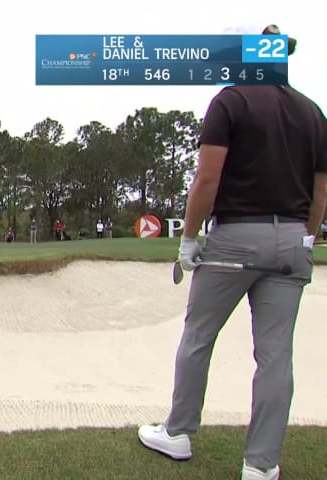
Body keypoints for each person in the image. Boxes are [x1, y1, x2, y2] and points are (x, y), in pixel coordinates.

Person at [137, 25, 327, 480]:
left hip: (234, 240)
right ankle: (260, 466)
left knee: (199, 335)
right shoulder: (312, 112)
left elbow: (207, 179)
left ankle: (178, 433)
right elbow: (321, 189)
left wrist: (188, 239)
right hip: (291, 243)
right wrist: (307, 236)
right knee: (276, 355)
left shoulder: (231, 100)